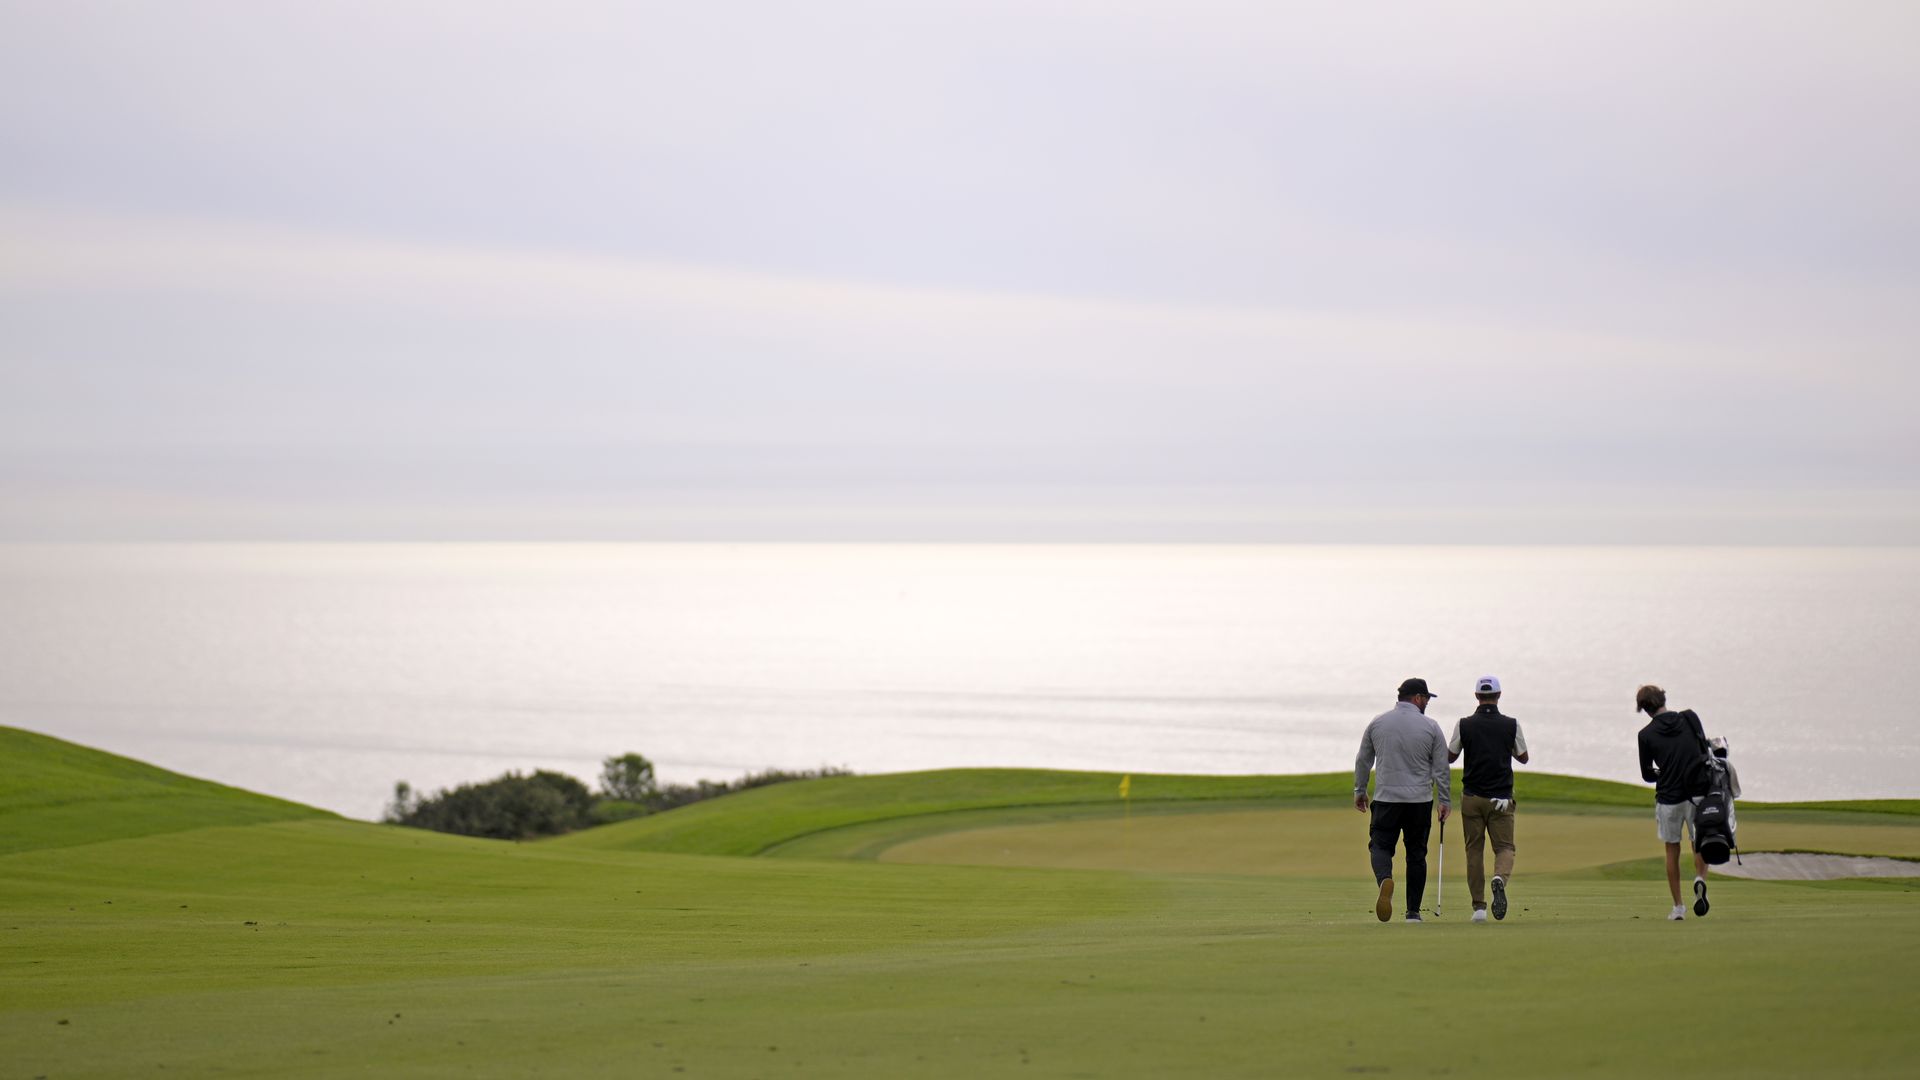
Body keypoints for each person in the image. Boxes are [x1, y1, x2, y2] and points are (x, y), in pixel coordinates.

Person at [1355, 677, 1452, 923]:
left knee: (1380, 846)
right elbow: (1441, 768)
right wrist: (1444, 800)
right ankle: (1413, 913)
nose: (1428, 702)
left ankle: (1384, 879)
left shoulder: (1378, 722)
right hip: (1419, 801)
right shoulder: (1431, 726)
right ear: (1418, 698)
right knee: (1416, 854)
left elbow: (1363, 759)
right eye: (1427, 698)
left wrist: (1360, 790)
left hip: (1387, 798)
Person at [1447, 675, 1529, 923]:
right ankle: (1499, 879)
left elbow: (1450, 756)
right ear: (1499, 695)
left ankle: (1479, 908)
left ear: (1476, 697)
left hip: (1472, 797)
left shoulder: (1464, 724)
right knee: (1504, 848)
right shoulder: (1511, 724)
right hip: (1501, 799)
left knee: (1474, 851)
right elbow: (1523, 757)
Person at [1635, 684, 1713, 921]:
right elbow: (1703, 749)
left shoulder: (1645, 735)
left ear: (1645, 709)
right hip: (1697, 793)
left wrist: (1664, 772)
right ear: (1663, 699)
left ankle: (1678, 907)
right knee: (1698, 841)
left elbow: (1647, 774)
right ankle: (1700, 877)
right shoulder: (1689, 718)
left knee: (1672, 849)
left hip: (1669, 798)